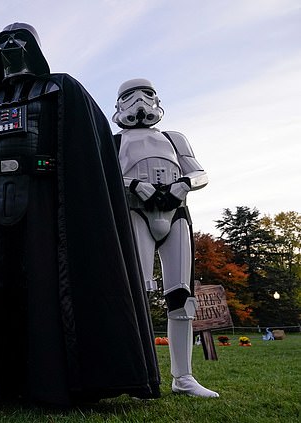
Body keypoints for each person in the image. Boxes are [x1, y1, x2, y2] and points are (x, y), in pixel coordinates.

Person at [0, 23, 160, 407]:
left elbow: (87, 146)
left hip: (47, 203)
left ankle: (58, 384)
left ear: (35, 47)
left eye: (20, 40)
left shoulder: (61, 89)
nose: (12, 47)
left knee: (47, 285)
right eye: (3, 42)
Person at [112, 78, 218, 398]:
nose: (140, 102)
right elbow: (105, 175)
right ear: (119, 105)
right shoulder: (114, 142)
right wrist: (133, 185)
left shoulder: (174, 139)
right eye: (130, 96)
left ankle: (182, 376)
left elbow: (200, 172)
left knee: (181, 297)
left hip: (176, 215)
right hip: (137, 214)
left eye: (146, 94)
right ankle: (135, 372)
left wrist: (183, 185)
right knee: (135, 294)